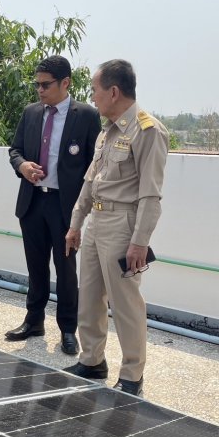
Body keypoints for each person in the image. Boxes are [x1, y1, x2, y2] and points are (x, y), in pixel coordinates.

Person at [63, 59, 169, 397]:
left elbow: (151, 196)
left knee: (125, 304)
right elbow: (90, 182)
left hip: (124, 225)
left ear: (113, 91)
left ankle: (132, 374)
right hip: (96, 222)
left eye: (95, 90)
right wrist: (76, 222)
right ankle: (92, 360)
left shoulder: (147, 130)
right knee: (90, 297)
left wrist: (139, 243)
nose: (92, 97)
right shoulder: (106, 131)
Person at [6, 56, 101, 354]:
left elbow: (94, 165)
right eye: (37, 84)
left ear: (66, 83)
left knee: (66, 270)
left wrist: (83, 213)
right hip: (33, 202)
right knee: (36, 268)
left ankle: (68, 330)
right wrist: (22, 166)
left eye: (45, 85)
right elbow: (15, 150)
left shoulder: (85, 116)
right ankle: (34, 321)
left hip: (64, 208)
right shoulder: (31, 113)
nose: (40, 90)